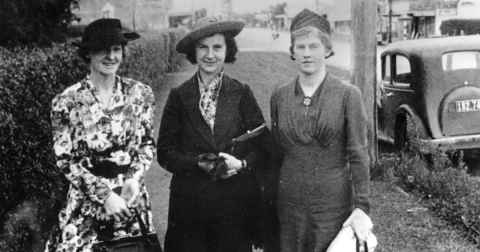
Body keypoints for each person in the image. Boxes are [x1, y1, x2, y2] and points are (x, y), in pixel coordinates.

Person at [157, 16, 268, 252]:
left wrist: (241, 163)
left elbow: (262, 145)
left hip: (233, 208)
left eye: (217, 47)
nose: (210, 55)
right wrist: (197, 163)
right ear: (193, 52)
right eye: (203, 47)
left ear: (227, 50)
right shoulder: (179, 96)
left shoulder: (241, 93)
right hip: (189, 208)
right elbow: (165, 153)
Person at [45, 18, 157, 251]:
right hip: (86, 207)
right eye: (102, 50)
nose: (111, 57)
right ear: (88, 54)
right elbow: (66, 160)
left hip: (129, 202)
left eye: (116, 49)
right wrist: (105, 196)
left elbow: (147, 145)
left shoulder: (141, 94)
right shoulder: (66, 101)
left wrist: (134, 179)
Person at [270, 9, 372, 252]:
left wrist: (361, 207)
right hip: (289, 202)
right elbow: (276, 154)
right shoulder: (279, 97)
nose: (307, 53)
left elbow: (359, 155)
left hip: (332, 204)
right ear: (292, 51)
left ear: (326, 49)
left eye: (313, 46)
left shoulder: (348, 95)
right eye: (301, 46)